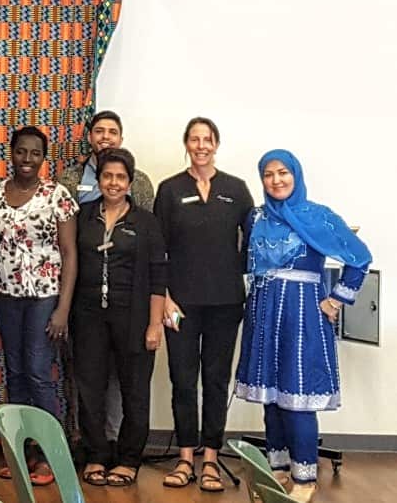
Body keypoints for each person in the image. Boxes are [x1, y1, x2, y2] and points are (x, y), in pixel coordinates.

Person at [235, 149, 371, 503]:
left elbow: (359, 258)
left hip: (303, 315)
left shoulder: (319, 217)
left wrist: (336, 299)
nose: (276, 180)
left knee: (298, 398)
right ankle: (275, 471)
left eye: (283, 172)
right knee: (270, 398)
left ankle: (304, 476)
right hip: (264, 311)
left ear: (296, 174)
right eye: (268, 174)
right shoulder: (255, 217)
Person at [155, 117, 254, 492]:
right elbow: (157, 250)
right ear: (186, 143)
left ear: (216, 144)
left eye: (207, 139)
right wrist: (164, 296)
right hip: (180, 304)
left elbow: (255, 241)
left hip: (226, 303)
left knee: (215, 380)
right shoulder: (169, 190)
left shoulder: (236, 189)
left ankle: (210, 458)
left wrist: (237, 272)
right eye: (194, 139)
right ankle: (184, 458)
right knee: (182, 380)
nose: (201, 145)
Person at [0, 126, 78, 486]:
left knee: (38, 372)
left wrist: (63, 309)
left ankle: (51, 455)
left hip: (44, 297)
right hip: (6, 297)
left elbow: (69, 253)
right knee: (15, 374)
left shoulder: (57, 195)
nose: (27, 160)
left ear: (43, 158)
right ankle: (23, 454)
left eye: (35, 153)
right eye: (21, 152)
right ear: (12, 153)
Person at [57, 110, 154, 451]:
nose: (106, 137)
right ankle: (87, 444)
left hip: (129, 301)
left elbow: (150, 250)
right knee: (86, 377)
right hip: (85, 299)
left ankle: (118, 447)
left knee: (126, 381)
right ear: (89, 136)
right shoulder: (71, 182)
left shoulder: (142, 188)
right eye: (99, 131)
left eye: (113, 131)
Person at [72, 148, 166, 488]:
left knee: (135, 391)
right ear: (99, 180)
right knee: (89, 389)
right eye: (107, 176)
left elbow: (159, 276)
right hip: (87, 317)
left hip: (135, 317)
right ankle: (96, 454)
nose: (113, 182)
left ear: (130, 182)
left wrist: (155, 324)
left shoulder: (146, 222)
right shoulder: (81, 216)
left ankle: (129, 459)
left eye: (120, 177)